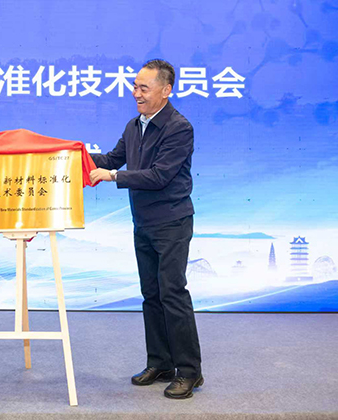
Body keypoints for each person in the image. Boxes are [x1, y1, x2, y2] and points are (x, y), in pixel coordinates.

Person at [89, 59, 203, 399]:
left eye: (143, 88)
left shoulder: (179, 128)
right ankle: (160, 363)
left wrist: (113, 177)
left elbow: (159, 175)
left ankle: (189, 371)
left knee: (172, 293)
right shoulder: (134, 125)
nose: (136, 93)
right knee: (151, 295)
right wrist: (74, 156)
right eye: (134, 86)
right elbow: (112, 159)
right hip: (143, 223)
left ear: (166, 90)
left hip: (172, 222)